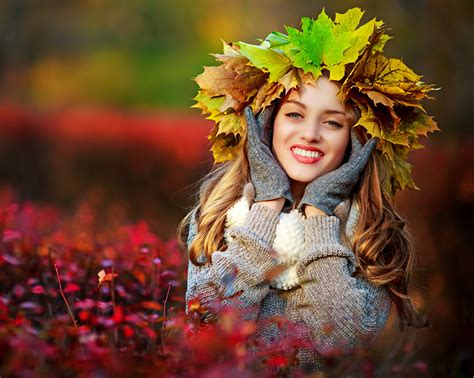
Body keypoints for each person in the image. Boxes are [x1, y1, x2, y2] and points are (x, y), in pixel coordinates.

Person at [178, 7, 438, 375]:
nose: (311, 134)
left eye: (332, 122)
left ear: (357, 141)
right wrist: (266, 206)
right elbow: (206, 327)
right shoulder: (219, 214)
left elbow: (343, 344)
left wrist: (319, 214)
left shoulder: (373, 236)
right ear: (266, 124)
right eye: (295, 115)